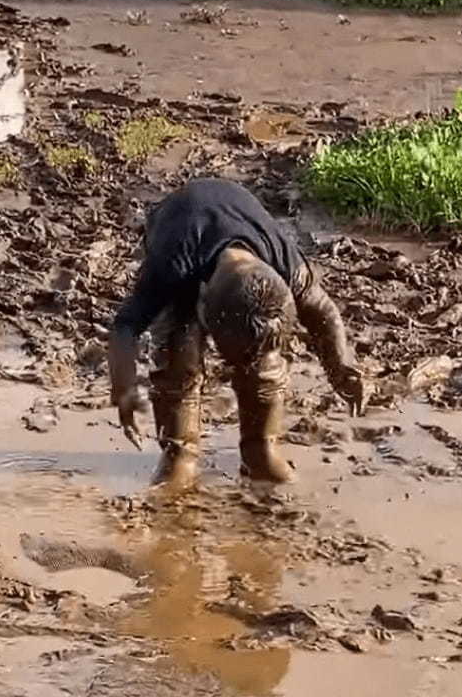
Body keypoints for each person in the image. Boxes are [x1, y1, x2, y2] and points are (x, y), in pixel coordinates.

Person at [108, 177, 366, 489]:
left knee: (265, 363)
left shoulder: (286, 262)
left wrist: (341, 368)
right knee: (179, 348)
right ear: (205, 304)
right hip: (180, 225)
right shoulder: (170, 266)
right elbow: (124, 327)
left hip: (232, 214)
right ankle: (180, 452)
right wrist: (124, 389)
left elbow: (323, 311)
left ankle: (261, 451)